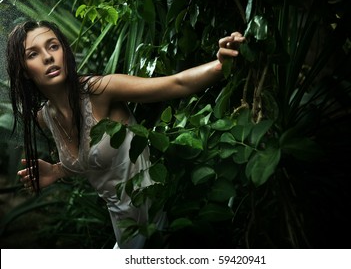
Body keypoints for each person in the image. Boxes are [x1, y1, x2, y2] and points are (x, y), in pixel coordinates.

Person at [6, 20, 244, 248]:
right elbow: (93, 160)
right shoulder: (45, 118)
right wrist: (58, 170)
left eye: (53, 46)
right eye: (33, 54)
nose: (48, 56)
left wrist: (220, 65)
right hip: (125, 228)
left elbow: (177, 84)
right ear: (25, 71)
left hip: (162, 218)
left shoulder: (101, 91)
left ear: (64, 52)